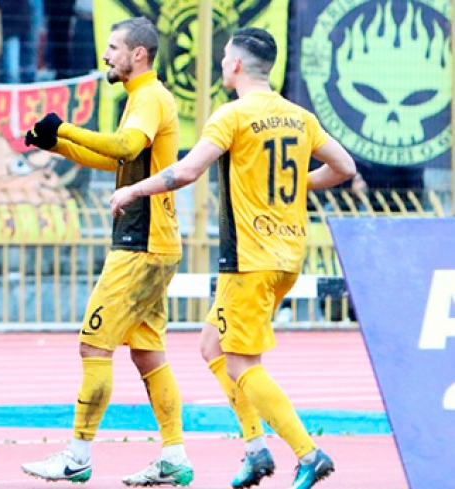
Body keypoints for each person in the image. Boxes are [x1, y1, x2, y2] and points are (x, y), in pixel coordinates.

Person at [109, 27, 356, 489]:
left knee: (243, 363)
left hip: (250, 259)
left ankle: (309, 453)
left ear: (236, 64)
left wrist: (133, 190)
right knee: (212, 346)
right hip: (287, 255)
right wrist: (295, 183)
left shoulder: (233, 115)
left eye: (225, 57)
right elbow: (345, 167)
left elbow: (187, 171)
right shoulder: (299, 116)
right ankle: (255, 448)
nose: (223, 64)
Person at [20, 17, 194, 486]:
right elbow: (118, 158)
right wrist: (58, 144)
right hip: (154, 243)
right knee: (148, 355)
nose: (105, 55)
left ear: (139, 54)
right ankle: (174, 456)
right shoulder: (141, 97)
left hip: (141, 244)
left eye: (114, 47)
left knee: (94, 346)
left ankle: (77, 456)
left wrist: (67, 127)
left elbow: (124, 145)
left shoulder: (150, 97)